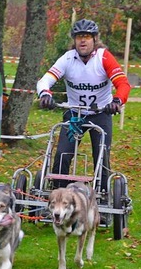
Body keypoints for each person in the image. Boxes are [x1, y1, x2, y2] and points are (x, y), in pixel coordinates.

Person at [36, 18, 131, 197]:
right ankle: (59, 196)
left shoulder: (104, 57)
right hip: (75, 114)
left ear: (95, 39)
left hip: (101, 113)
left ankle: (101, 198)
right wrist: (45, 94)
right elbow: (45, 80)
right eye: (79, 36)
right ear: (74, 40)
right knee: (63, 153)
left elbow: (123, 84)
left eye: (87, 36)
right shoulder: (67, 58)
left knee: (101, 155)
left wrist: (117, 101)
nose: (82, 40)